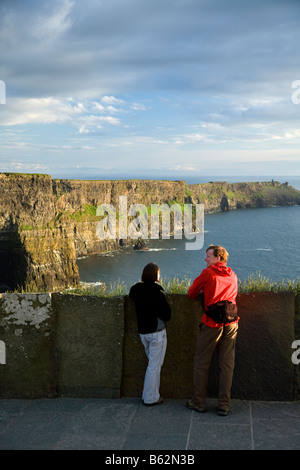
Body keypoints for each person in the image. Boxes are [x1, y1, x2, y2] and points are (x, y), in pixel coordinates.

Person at [186, 245, 239, 416]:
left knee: (202, 363)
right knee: (227, 365)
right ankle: (224, 404)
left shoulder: (208, 273)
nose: (205, 259)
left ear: (218, 258)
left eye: (208, 256)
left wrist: (204, 291)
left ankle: (198, 402)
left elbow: (191, 292)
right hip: (231, 324)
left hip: (211, 324)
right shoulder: (232, 275)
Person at [129, 263, 171, 406]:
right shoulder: (157, 293)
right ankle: (150, 398)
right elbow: (167, 315)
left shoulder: (135, 290)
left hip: (143, 333)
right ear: (156, 275)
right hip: (156, 333)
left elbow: (132, 296)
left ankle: (152, 394)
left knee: (153, 365)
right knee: (154, 366)